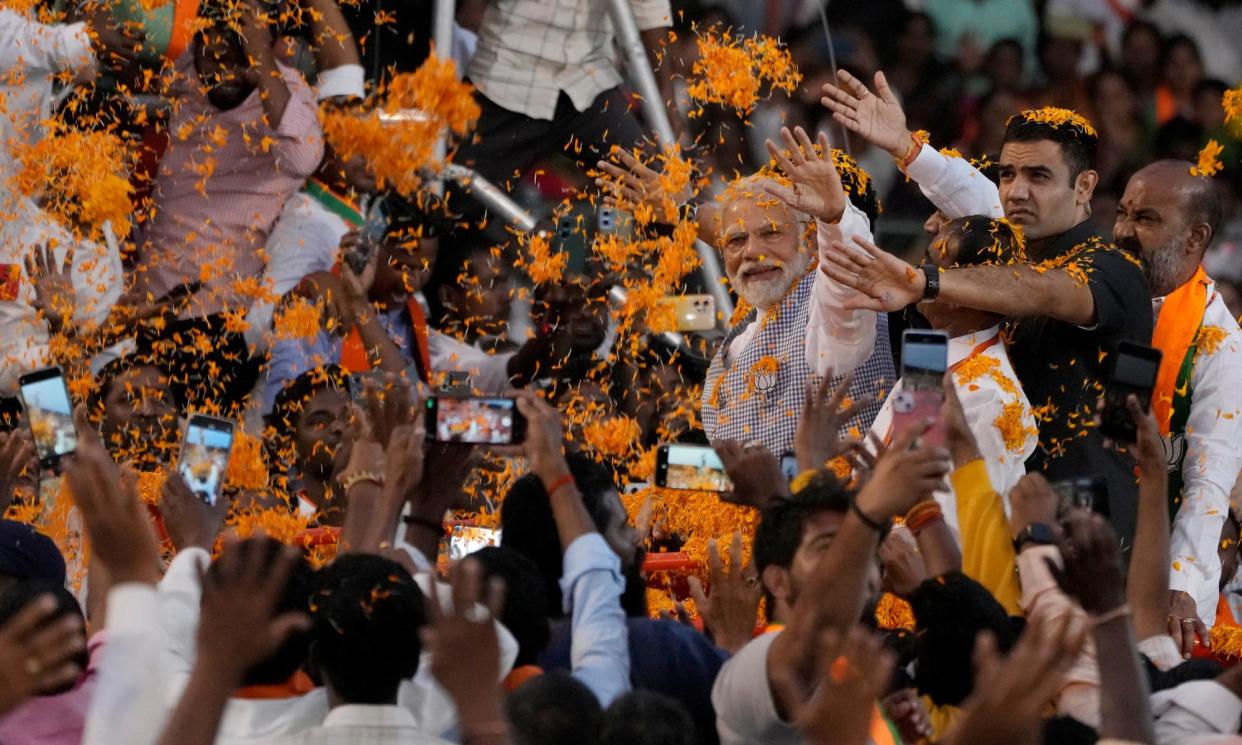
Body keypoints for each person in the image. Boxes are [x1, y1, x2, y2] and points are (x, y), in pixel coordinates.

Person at [819, 73, 1153, 542]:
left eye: (1039, 176)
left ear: (1085, 186)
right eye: (1007, 174)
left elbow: (1046, 291)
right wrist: (905, 147)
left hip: (1083, 531)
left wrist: (926, 282)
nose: (1015, 192)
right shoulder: (994, 273)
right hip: (979, 527)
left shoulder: (1112, 269)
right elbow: (977, 204)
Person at [132, 0, 323, 408]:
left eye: (242, 59)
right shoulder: (188, 75)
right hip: (146, 309)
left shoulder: (286, 93)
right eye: (216, 56)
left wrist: (261, 62)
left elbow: (303, 159)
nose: (227, 72)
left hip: (214, 322)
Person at [711, 427, 948, 745]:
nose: (856, 560)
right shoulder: (751, 669)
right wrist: (869, 512)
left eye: (864, 549)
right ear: (777, 581)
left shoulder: (866, 681)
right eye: (828, 547)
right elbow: (819, 620)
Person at [695, 126, 893, 457]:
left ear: (810, 240)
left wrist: (834, 217)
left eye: (771, 233)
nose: (752, 252)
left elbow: (844, 272)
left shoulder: (833, 310)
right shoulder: (746, 325)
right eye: (736, 240)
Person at [1113, 160, 1242, 645]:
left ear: (1194, 238)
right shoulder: (1100, 292)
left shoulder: (1218, 344)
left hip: (1163, 587)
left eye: (1145, 220)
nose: (1123, 231)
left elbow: (1208, 481)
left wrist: (1180, 586)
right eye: (1123, 213)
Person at [868, 216, 1037, 533]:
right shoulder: (931, 361)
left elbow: (962, 523)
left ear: (967, 292)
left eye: (931, 265)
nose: (916, 274)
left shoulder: (990, 396)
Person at [455, 0, 675, 195]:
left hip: (587, 78)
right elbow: (471, 13)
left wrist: (666, 93)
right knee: (444, 202)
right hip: (507, 78)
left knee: (656, 188)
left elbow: (649, 6)